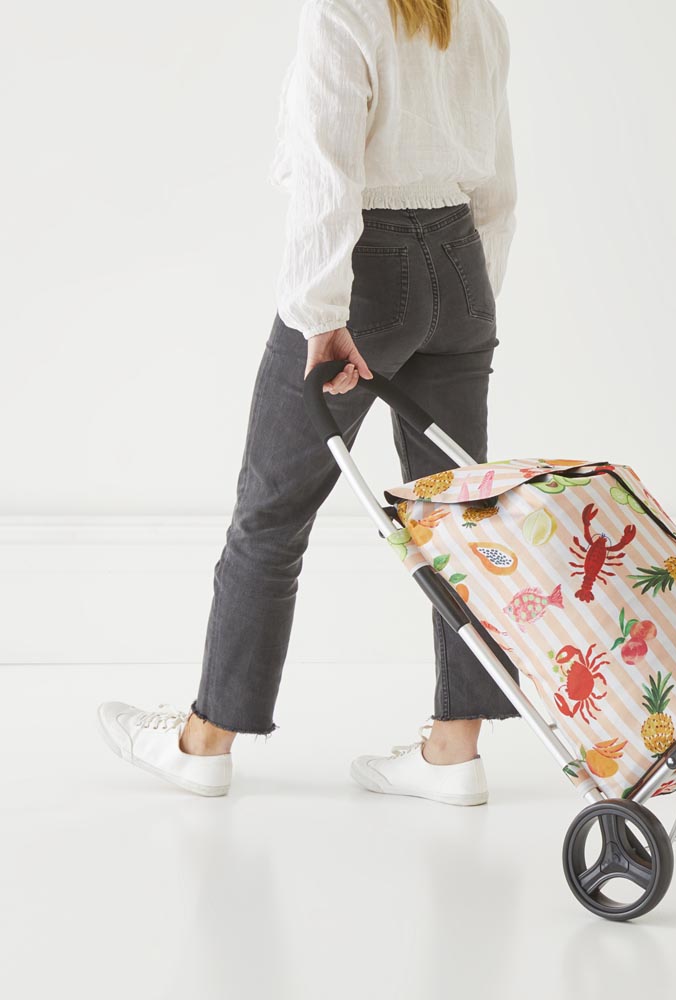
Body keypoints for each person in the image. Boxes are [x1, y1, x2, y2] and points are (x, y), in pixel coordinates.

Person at [96, 0, 517, 806]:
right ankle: (453, 752)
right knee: (459, 516)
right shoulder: (479, 14)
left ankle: (205, 741)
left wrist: (323, 316)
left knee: (272, 510)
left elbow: (330, 174)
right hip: (463, 266)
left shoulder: (342, 9)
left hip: (369, 270)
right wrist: (469, 306)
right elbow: (500, 183)